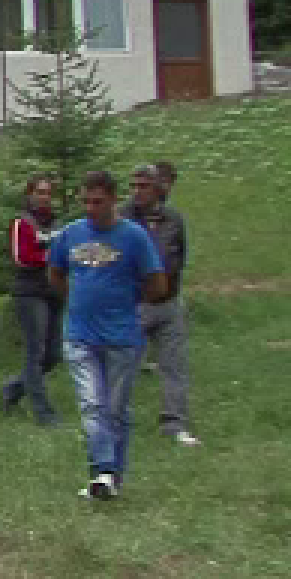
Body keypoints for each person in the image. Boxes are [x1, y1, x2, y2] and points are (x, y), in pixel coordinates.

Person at [49, 171, 167, 501]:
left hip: (121, 337)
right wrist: (72, 298)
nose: (90, 208)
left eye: (97, 202)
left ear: (114, 200)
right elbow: (55, 271)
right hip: (79, 335)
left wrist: (128, 299)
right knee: (91, 404)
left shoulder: (133, 237)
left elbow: (158, 283)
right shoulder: (72, 234)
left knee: (115, 409)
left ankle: (113, 476)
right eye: (85, 201)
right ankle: (102, 470)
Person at [130, 164, 197, 445]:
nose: (137, 191)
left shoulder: (173, 219)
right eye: (134, 186)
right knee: (123, 365)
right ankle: (114, 421)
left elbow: (180, 254)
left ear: (158, 188)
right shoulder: (123, 219)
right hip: (134, 305)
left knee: (174, 366)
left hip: (169, 303)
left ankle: (175, 423)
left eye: (143, 186)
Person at [1, 175, 63, 426]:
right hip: (29, 292)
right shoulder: (21, 223)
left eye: (48, 193)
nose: (44, 197)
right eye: (39, 192)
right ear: (29, 194)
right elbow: (21, 257)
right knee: (35, 351)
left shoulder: (57, 223)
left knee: (53, 354)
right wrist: (50, 257)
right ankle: (43, 411)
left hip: (53, 291)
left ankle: (13, 389)